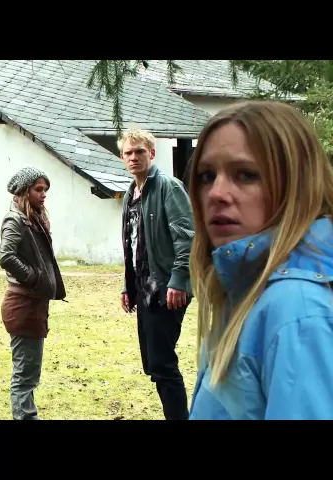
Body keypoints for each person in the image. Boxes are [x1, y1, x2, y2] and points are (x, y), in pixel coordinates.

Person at [188, 100, 333, 420]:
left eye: (246, 175)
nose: (216, 193)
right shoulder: (245, 287)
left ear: (297, 185)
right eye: (207, 176)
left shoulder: (297, 309)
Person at [119, 128, 194, 420]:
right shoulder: (131, 193)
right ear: (122, 157)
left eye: (139, 151)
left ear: (152, 153)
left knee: (163, 364)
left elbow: (186, 238)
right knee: (154, 363)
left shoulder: (168, 187)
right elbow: (132, 243)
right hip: (145, 287)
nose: (134, 157)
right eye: (128, 152)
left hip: (167, 287)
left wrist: (179, 279)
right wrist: (128, 286)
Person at [0, 166, 66, 420]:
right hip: (22, 306)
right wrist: (33, 277)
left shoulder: (33, 219)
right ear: (24, 191)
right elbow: (6, 256)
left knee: (29, 374)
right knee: (25, 377)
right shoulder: (15, 220)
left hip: (33, 305)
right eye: (38, 189)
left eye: (45, 189)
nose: (44, 194)